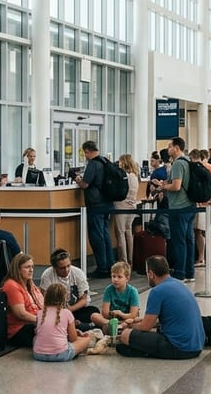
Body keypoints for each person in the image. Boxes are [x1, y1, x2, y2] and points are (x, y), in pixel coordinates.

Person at [116, 255, 204, 360]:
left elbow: (146, 327)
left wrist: (130, 327)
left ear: (151, 274)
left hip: (178, 348)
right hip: (197, 346)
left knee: (125, 335)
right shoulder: (179, 284)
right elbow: (163, 319)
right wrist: (139, 322)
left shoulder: (157, 291)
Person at [158, 138, 196, 282]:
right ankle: (189, 272)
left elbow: (176, 186)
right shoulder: (188, 161)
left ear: (176, 148)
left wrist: (163, 187)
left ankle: (180, 273)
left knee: (179, 241)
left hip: (179, 207)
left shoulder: (178, 164)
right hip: (190, 205)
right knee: (189, 239)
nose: (168, 149)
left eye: (170, 146)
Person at [75, 140, 114, 278]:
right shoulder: (105, 161)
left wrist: (78, 180)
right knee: (105, 235)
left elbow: (85, 184)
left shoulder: (93, 164)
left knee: (97, 236)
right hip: (107, 203)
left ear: (88, 151)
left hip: (95, 204)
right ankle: (110, 265)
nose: (85, 156)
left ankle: (102, 267)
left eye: (85, 153)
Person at [33, 283, 95, 362]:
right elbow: (73, 339)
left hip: (38, 355)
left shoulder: (40, 313)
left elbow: (40, 332)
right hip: (61, 354)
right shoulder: (67, 313)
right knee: (86, 339)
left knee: (36, 338)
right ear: (64, 298)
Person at [39, 248, 99, 329]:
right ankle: (78, 325)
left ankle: (74, 325)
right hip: (56, 312)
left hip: (75, 309)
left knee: (94, 310)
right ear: (54, 267)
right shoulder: (47, 275)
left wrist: (69, 310)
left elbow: (84, 300)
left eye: (68, 266)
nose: (66, 270)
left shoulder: (78, 273)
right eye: (62, 268)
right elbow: (45, 299)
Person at [3, 253, 43, 348]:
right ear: (17, 269)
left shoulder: (30, 284)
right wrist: (44, 321)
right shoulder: (11, 285)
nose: (31, 270)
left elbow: (43, 305)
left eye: (32, 267)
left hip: (35, 323)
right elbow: (21, 314)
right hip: (20, 330)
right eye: (27, 267)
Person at [90, 261, 140, 331]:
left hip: (127, 319)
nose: (115, 279)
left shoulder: (133, 291)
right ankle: (116, 326)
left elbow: (133, 314)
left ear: (127, 279)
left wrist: (121, 314)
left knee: (136, 320)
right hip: (111, 319)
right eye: (113, 276)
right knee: (94, 316)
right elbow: (105, 313)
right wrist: (112, 314)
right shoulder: (108, 290)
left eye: (119, 277)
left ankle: (114, 327)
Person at [111, 154, 140, 265]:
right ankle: (130, 259)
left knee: (120, 233)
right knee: (128, 232)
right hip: (132, 206)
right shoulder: (135, 176)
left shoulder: (124, 176)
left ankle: (123, 260)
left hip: (121, 206)